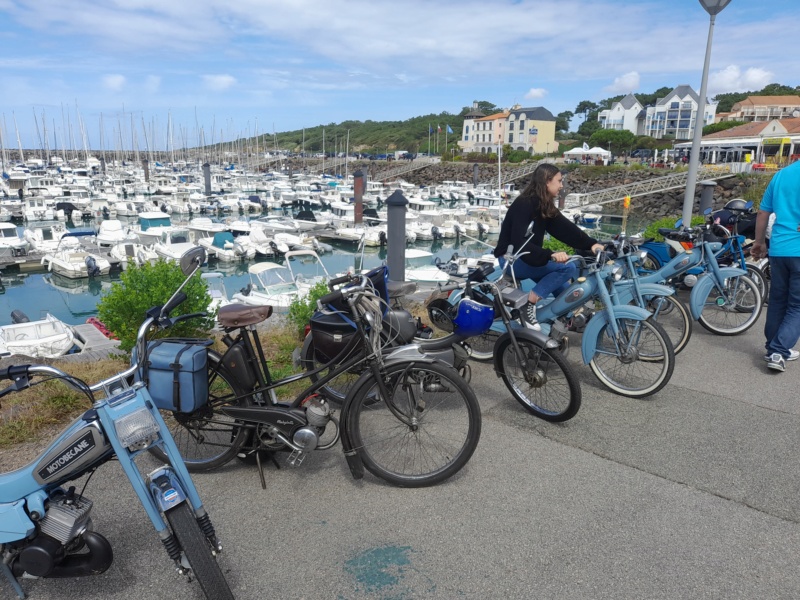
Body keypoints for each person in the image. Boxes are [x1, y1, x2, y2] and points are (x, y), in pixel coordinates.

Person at [492, 163, 604, 321]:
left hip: (526, 257)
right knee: (567, 268)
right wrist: (550, 255)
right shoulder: (525, 204)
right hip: (511, 259)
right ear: (547, 181)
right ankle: (528, 305)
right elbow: (518, 242)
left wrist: (591, 244)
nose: (561, 185)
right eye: (559, 181)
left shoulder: (543, 205)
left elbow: (565, 229)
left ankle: (570, 319)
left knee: (564, 292)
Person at [750, 160, 800, 372]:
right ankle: (779, 350)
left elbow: (763, 213)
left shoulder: (781, 175)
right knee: (797, 305)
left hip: (779, 248)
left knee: (778, 301)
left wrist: (759, 242)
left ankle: (773, 348)